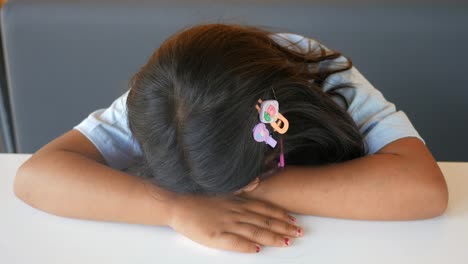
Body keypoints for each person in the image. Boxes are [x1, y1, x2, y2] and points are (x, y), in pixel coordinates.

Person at [13, 23, 448, 254]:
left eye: (248, 177)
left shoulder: (320, 72)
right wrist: (174, 206)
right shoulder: (164, 104)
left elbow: (423, 190)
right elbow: (35, 177)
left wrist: (256, 187)